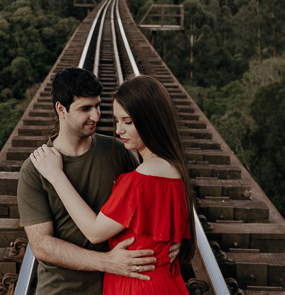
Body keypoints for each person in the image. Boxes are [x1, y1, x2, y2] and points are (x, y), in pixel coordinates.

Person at [30, 75, 196, 295]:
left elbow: (94, 232)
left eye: (127, 122)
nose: (118, 130)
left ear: (151, 121)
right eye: (117, 121)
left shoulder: (141, 180)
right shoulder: (174, 169)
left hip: (137, 286)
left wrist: (57, 176)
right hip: (165, 280)